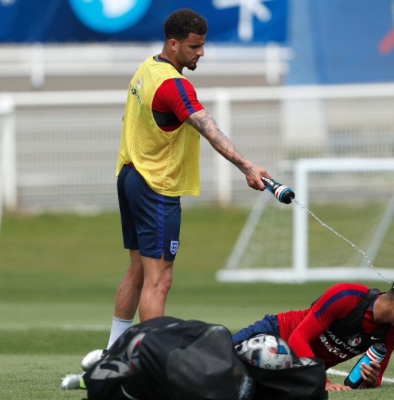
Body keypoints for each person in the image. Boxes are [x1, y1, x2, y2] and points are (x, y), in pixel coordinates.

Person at [82, 8, 271, 368]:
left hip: (131, 175)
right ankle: (150, 366)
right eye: (195, 47)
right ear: (174, 43)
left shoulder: (146, 68)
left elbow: (130, 118)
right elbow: (206, 124)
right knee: (160, 279)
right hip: (156, 185)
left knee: (137, 272)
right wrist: (246, 166)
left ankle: (112, 355)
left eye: (202, 46)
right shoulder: (173, 84)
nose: (201, 53)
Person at [232, 272, 394, 392]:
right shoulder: (347, 296)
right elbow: (297, 338)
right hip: (275, 334)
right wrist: (323, 382)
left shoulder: (392, 332)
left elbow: (377, 378)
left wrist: (371, 379)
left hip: (294, 370)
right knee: (216, 357)